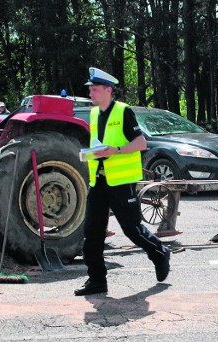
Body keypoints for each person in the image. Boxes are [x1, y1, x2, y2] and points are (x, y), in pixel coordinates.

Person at [74, 67, 171, 296]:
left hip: (121, 181)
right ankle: (97, 281)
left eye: (95, 90)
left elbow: (141, 143)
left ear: (108, 90)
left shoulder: (123, 111)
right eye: (90, 90)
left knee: (132, 229)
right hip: (98, 182)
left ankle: (160, 253)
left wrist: (115, 150)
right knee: (92, 232)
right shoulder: (95, 114)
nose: (91, 94)